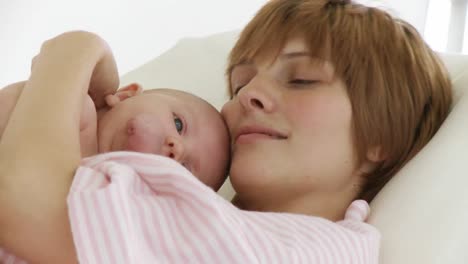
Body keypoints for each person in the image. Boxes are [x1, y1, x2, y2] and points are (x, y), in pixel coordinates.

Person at [0, 0, 453, 263]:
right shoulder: (204, 215)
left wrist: (72, 52)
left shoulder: (306, 250)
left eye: (302, 80)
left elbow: (25, 207)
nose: (250, 95)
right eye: (240, 84)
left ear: (383, 139)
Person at [0, 81, 230, 191]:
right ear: (124, 96)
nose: (177, 148)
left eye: (185, 171)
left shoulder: (108, 209)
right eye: (178, 123)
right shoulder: (73, 105)